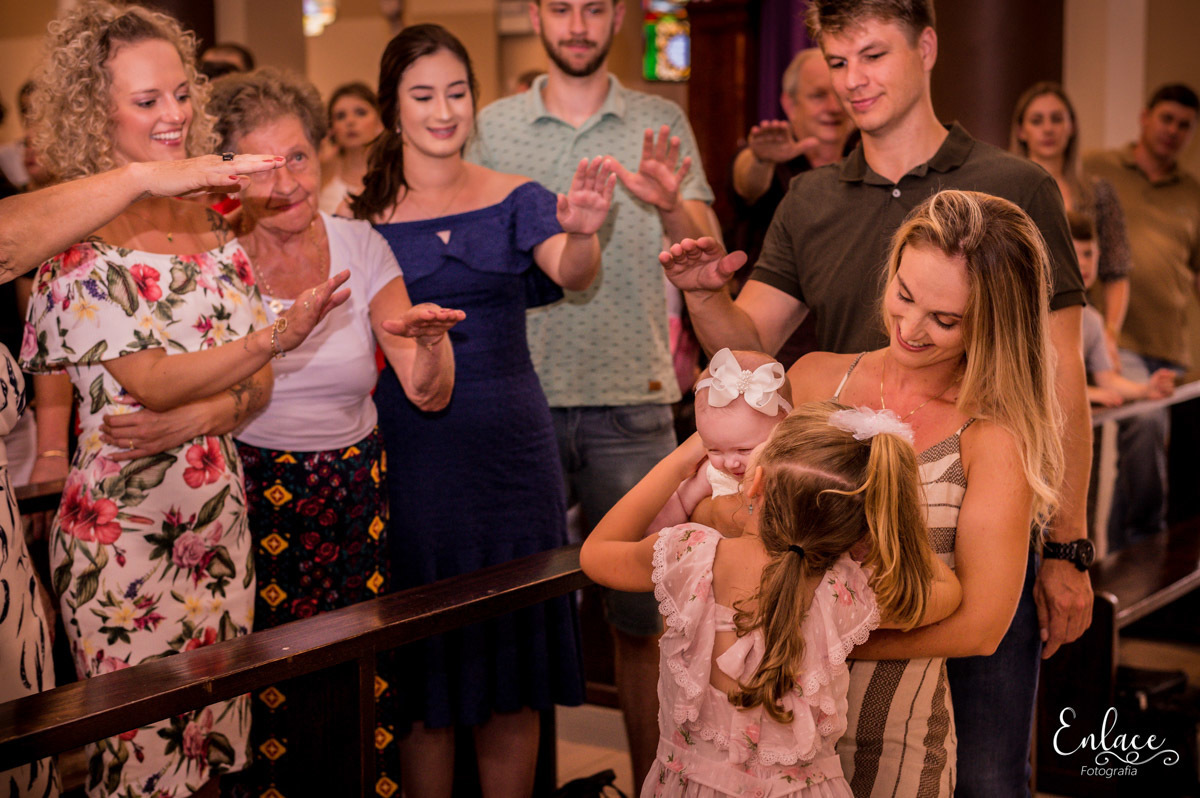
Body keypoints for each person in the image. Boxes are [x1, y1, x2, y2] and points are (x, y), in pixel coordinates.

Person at [661, 2, 1092, 794]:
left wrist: (1069, 546)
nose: (853, 79)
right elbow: (749, 346)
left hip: (976, 508)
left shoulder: (1015, 184)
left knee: (987, 772)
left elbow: (1061, 374)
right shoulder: (810, 198)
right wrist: (702, 297)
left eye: (873, 54)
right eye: (837, 60)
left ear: (926, 46)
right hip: (844, 525)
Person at [94, 67, 464, 797]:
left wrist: (429, 347)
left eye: (299, 156)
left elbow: (427, 393)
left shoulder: (361, 245)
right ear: (231, 176)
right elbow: (184, 379)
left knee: (358, 680)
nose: (288, 181)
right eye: (265, 166)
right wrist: (204, 413)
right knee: (259, 688)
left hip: (355, 494)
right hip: (249, 491)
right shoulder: (210, 256)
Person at [19, 5, 347, 796]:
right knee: (138, 767)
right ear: (94, 112)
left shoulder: (209, 222)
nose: (173, 114)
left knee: (212, 757)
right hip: (123, 538)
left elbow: (253, 388)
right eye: (146, 100)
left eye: (179, 93)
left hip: (218, 521)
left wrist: (213, 412)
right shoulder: (74, 240)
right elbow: (154, 380)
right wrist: (274, 337)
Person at [350, 24, 614, 798]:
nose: (444, 111)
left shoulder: (515, 197)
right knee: (425, 673)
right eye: (423, 95)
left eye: (457, 93)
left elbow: (570, 270)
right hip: (414, 459)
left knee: (512, 669)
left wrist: (583, 233)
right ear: (393, 109)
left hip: (511, 457)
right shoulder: (359, 217)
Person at [467, 0, 719, 783]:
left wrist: (669, 200)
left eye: (595, 7)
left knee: (648, 620)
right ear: (536, 13)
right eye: (562, 6)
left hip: (633, 401)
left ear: (617, 17)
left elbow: (707, 241)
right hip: (518, 403)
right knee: (517, 620)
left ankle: (653, 787)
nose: (577, 23)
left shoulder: (658, 119)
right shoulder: (492, 126)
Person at [767, 190, 1059, 796]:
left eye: (945, 320)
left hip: (890, 741)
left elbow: (981, 626)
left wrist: (828, 644)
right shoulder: (815, 377)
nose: (909, 328)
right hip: (763, 724)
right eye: (903, 295)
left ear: (994, 324)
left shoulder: (992, 436)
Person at [580, 402, 961, 797]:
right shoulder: (844, 593)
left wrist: (683, 459)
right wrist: (886, 515)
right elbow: (947, 591)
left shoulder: (688, 555)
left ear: (755, 482)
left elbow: (596, 554)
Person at [1084, 83, 1200, 547]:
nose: (1173, 131)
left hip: (1173, 345)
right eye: (1166, 119)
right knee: (1145, 425)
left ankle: (1128, 557)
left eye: (1184, 126)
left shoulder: (1192, 192)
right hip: (1117, 340)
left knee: (1154, 458)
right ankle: (1142, 543)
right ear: (1145, 117)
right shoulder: (1099, 168)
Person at [1011, 81, 1131, 363]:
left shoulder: (1098, 192)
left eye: (1057, 119)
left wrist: (1109, 334)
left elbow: (1116, 271)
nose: (1048, 129)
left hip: (1083, 324)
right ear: (1021, 131)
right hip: (1022, 326)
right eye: (1037, 120)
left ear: (1072, 126)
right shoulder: (1007, 191)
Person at [649, 348, 793, 534]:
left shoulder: (795, 467)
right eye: (714, 450)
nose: (730, 463)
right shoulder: (713, 474)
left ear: (784, 428)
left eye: (744, 450)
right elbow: (680, 503)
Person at [1068, 211, 1175, 409]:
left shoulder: (1092, 319)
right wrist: (1087, 392)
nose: (1082, 263)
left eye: (1088, 254)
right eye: (1073, 254)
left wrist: (1146, 389)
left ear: (1099, 255)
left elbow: (1108, 379)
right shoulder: (1040, 313)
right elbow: (1039, 383)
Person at [319, 82, 385, 213]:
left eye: (360, 113)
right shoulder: (322, 173)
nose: (350, 121)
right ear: (331, 128)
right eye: (340, 116)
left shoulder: (398, 172)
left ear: (379, 122)